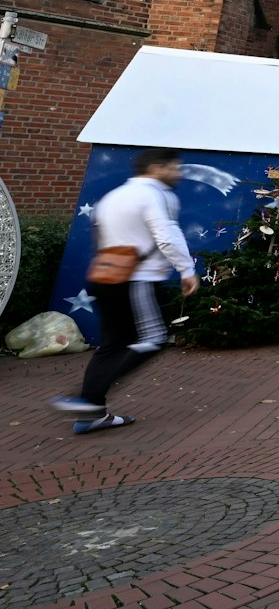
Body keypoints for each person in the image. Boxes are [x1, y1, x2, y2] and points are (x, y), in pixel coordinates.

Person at [51, 148, 200, 431]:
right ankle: (86, 403)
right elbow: (167, 235)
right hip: (137, 280)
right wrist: (186, 271)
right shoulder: (156, 195)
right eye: (174, 168)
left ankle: (91, 415)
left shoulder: (114, 196)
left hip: (104, 276)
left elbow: (102, 237)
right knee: (154, 339)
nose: (178, 173)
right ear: (157, 168)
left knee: (112, 345)